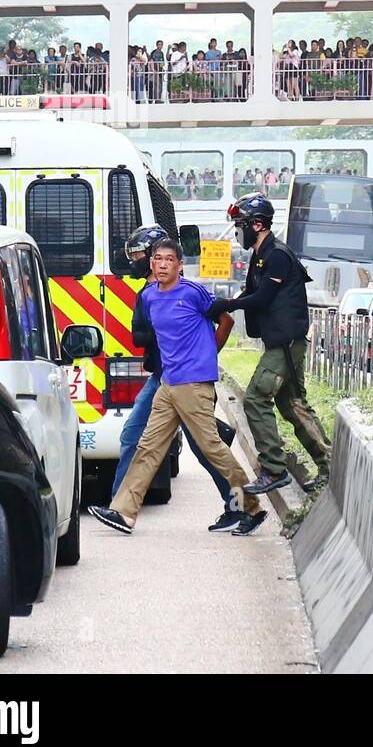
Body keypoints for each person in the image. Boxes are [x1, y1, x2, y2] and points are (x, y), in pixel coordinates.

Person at [88, 238, 264, 536]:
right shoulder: (149, 297)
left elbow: (226, 321)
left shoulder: (192, 292)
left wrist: (207, 357)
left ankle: (251, 507)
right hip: (168, 383)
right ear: (152, 263)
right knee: (147, 446)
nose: (163, 264)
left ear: (180, 265)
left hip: (193, 383)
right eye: (158, 259)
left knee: (212, 449)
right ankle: (124, 513)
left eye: (170, 259)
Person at [207, 192, 330, 494]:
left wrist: (227, 305)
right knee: (292, 405)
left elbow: (262, 298)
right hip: (282, 342)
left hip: (286, 343)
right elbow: (253, 293)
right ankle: (330, 466)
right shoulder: (262, 255)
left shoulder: (277, 255)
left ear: (258, 224)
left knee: (255, 398)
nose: (238, 231)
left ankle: (274, 469)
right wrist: (227, 303)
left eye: (241, 224)